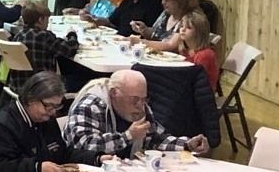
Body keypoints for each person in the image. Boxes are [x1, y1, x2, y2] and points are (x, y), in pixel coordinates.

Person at [63, 69, 209, 161]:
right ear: (114, 93)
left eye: (144, 99)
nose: (140, 106)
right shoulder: (90, 106)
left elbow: (158, 139)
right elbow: (83, 146)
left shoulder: (140, 107)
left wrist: (188, 145)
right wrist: (128, 136)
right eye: (135, 100)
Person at [4, 0, 79, 72]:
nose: (48, 23)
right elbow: (70, 49)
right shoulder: (43, 36)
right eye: (47, 20)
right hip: (41, 82)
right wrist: (72, 34)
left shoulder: (18, 35)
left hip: (19, 82)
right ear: (41, 20)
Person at [134, 0, 199, 50]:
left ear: (180, 1)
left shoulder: (189, 18)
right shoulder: (166, 14)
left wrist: (140, 42)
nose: (163, 2)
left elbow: (170, 45)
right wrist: (144, 30)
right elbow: (155, 36)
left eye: (167, 0)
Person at [180, 8, 221, 89]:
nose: (182, 29)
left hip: (202, 96)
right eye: (181, 26)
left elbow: (195, 79)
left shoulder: (205, 55)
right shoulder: (188, 50)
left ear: (199, 33)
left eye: (188, 27)